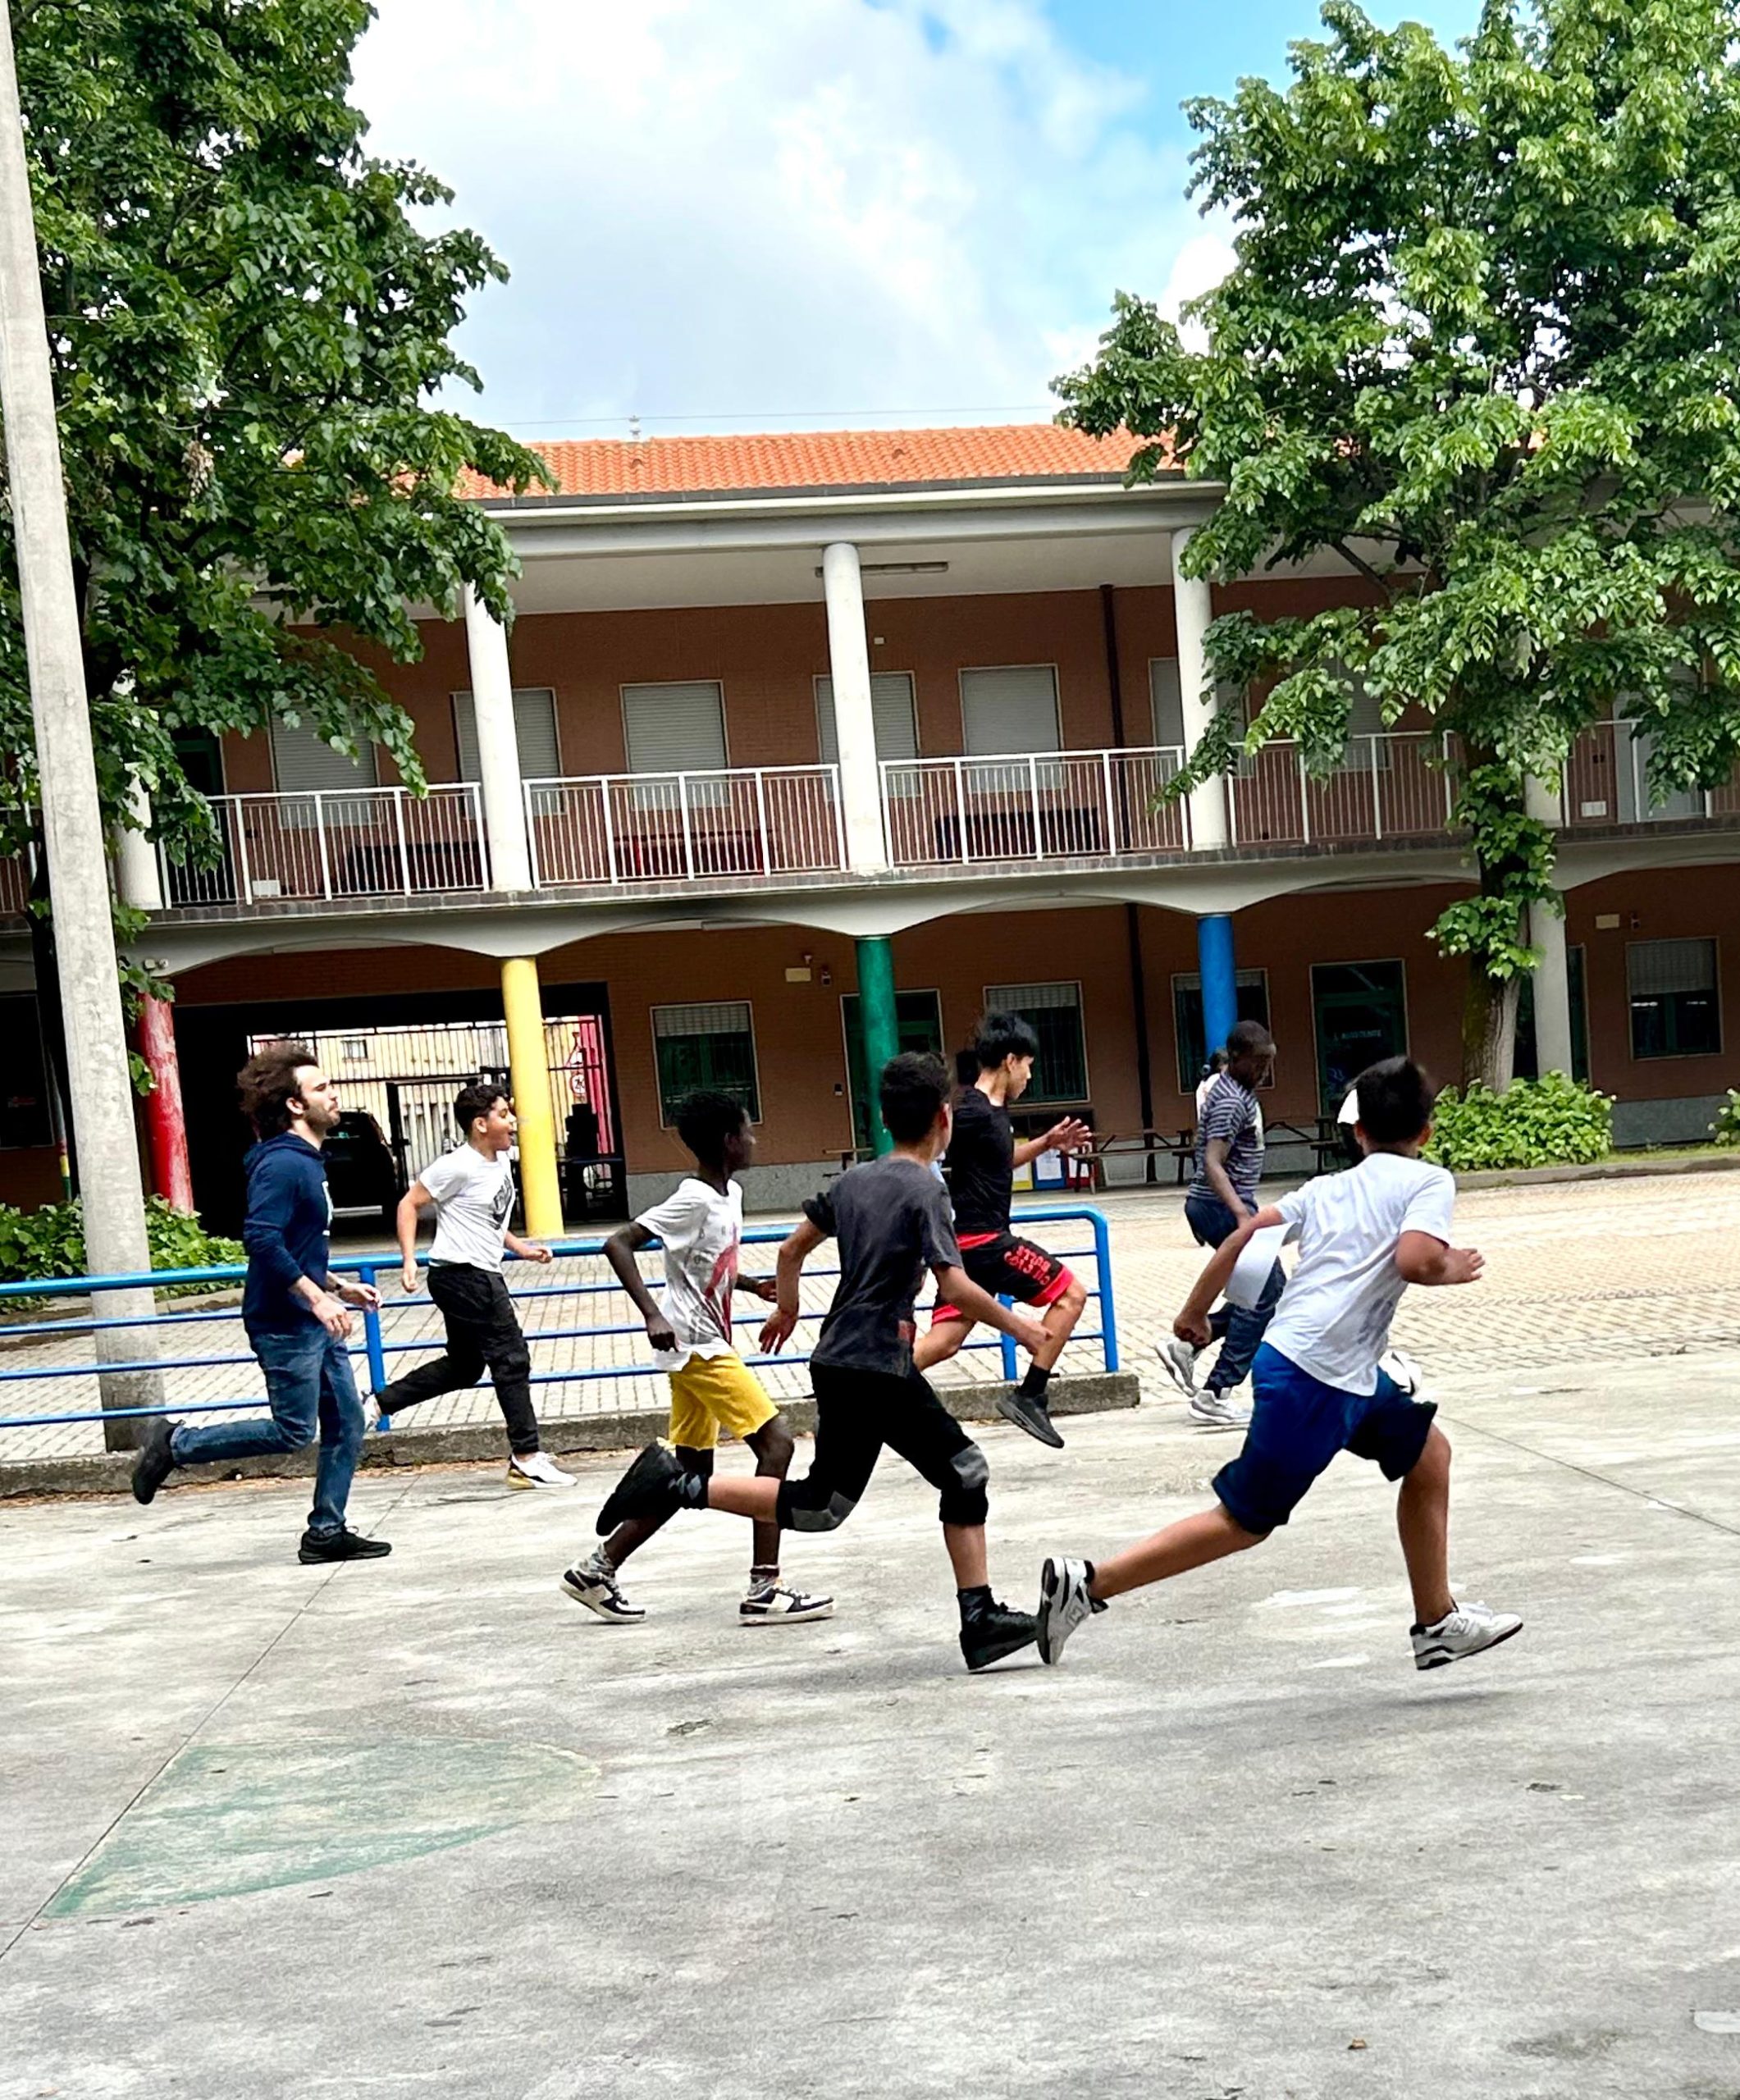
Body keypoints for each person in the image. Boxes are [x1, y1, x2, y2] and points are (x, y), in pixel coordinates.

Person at [1035, 1057, 1523, 1674]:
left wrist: (1194, 1312)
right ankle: (1087, 1585)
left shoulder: (1323, 1190)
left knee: (1429, 1456)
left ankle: (1436, 1622)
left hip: (1332, 1368)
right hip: (1314, 1379)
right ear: (1425, 1132)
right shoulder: (1428, 1182)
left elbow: (1243, 1237)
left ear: (1358, 1132)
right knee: (1244, 1521)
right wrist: (1453, 1266)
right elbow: (1416, 1259)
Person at [584, 1052, 1048, 1673]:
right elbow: (956, 1286)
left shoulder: (854, 1181)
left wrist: (788, 1308)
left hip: (838, 1360)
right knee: (962, 1471)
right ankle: (980, 1618)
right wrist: (1023, 1327)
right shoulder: (927, 1189)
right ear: (944, 1118)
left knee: (823, 1505)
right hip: (878, 1362)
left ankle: (678, 1485)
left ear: (885, 1119)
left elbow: (791, 1248)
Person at [563, 1091, 833, 1625]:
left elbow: (707, 1261)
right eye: (746, 1131)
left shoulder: (729, 1194)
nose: (753, 1139)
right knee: (777, 1445)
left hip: (699, 1346)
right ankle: (764, 1587)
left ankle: (596, 1569)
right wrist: (651, 1315)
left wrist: (751, 1285)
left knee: (688, 1472)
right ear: (728, 1142)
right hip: (697, 1348)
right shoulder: (692, 1199)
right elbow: (618, 1243)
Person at [129, 1044, 390, 1563]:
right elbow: (262, 1239)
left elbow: (295, 1245)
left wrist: (336, 1288)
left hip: (312, 1319)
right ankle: (175, 1445)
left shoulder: (306, 1161)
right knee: (294, 1431)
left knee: (347, 1422)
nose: (333, 1095)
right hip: (285, 1323)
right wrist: (316, 1299)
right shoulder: (284, 1165)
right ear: (295, 1105)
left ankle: (326, 1532)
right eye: (321, 1088)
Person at [369, 1081, 574, 1489]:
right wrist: (409, 1259)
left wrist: (521, 1248)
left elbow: (488, 1218)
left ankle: (375, 1405)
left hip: (471, 1274)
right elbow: (409, 1203)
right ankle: (526, 1456)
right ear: (481, 1124)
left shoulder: (501, 1160)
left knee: (465, 1367)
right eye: (504, 1115)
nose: (512, 1122)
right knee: (511, 1359)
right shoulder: (457, 1165)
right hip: (465, 1275)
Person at [913, 1011, 1091, 1449]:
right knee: (1071, 1295)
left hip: (967, 1248)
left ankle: (858, 1388)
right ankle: (1031, 1396)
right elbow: (923, 1152)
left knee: (943, 1344)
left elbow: (1000, 1162)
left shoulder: (994, 1112)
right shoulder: (970, 1110)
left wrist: (1047, 1143)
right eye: (1028, 1065)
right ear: (1011, 1061)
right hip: (985, 1242)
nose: (1030, 1076)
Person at [1156, 1018, 1280, 1428]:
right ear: (1237, 1058)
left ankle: (1188, 1347)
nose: (1263, 1072)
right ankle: (1216, 1392)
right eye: (1257, 1063)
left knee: (1265, 1290)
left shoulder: (1237, 1091)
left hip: (1225, 1206)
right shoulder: (1230, 1100)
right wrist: (1242, 1214)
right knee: (1262, 1297)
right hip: (1222, 1207)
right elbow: (1212, 1162)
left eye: (1268, 1064)